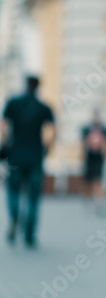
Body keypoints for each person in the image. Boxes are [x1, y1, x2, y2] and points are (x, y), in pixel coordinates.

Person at [1, 75, 56, 247]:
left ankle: (15, 217)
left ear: (25, 85)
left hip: (16, 155)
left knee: (13, 190)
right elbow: (53, 130)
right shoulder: (43, 107)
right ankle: (29, 235)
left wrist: (5, 144)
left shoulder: (13, 103)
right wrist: (47, 148)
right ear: (38, 87)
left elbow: (3, 126)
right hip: (35, 156)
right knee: (33, 196)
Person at [81, 111, 106, 204]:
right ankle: (87, 197)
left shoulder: (103, 129)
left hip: (99, 156)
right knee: (88, 179)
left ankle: (98, 198)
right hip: (90, 156)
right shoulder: (87, 128)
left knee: (98, 179)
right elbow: (83, 143)